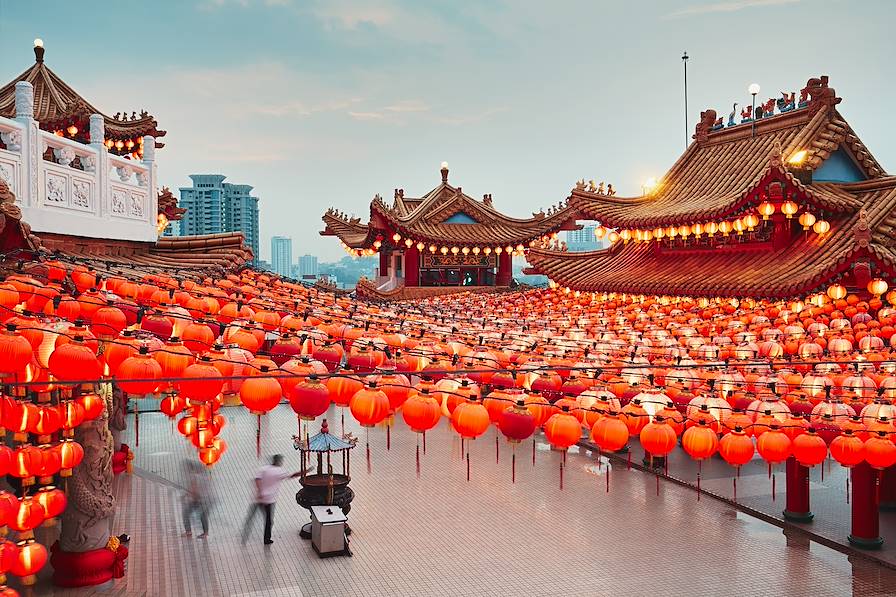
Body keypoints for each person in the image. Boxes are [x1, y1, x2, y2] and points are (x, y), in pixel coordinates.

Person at [241, 454, 303, 545]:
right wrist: (304, 472)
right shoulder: (279, 471)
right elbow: (292, 475)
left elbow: (257, 479)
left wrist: (259, 492)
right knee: (268, 521)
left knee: (251, 517)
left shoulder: (264, 468)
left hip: (258, 499)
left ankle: (244, 535)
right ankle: (267, 539)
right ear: (279, 462)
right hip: (269, 500)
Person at [182, 460, 213, 538]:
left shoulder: (194, 476)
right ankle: (205, 533)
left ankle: (189, 532)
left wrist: (186, 496)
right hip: (206, 499)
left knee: (186, 513)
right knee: (203, 515)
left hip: (200, 499)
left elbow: (194, 488)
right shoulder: (205, 476)